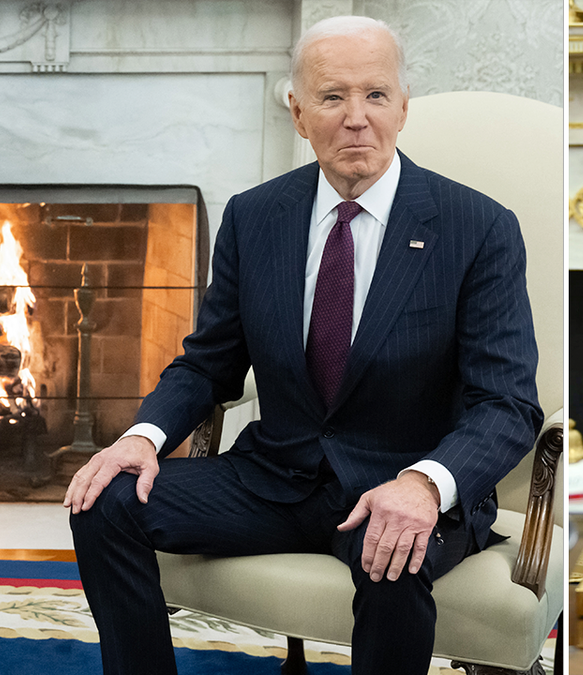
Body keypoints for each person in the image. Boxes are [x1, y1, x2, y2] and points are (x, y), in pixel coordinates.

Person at [64, 15, 541, 675]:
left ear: (403, 108)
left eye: (375, 95)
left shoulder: (477, 227)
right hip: (274, 478)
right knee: (106, 499)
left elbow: (508, 402)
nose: (356, 117)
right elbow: (208, 362)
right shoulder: (256, 216)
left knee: (394, 555)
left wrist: (426, 485)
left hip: (401, 480)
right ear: (297, 112)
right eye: (332, 96)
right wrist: (142, 437)